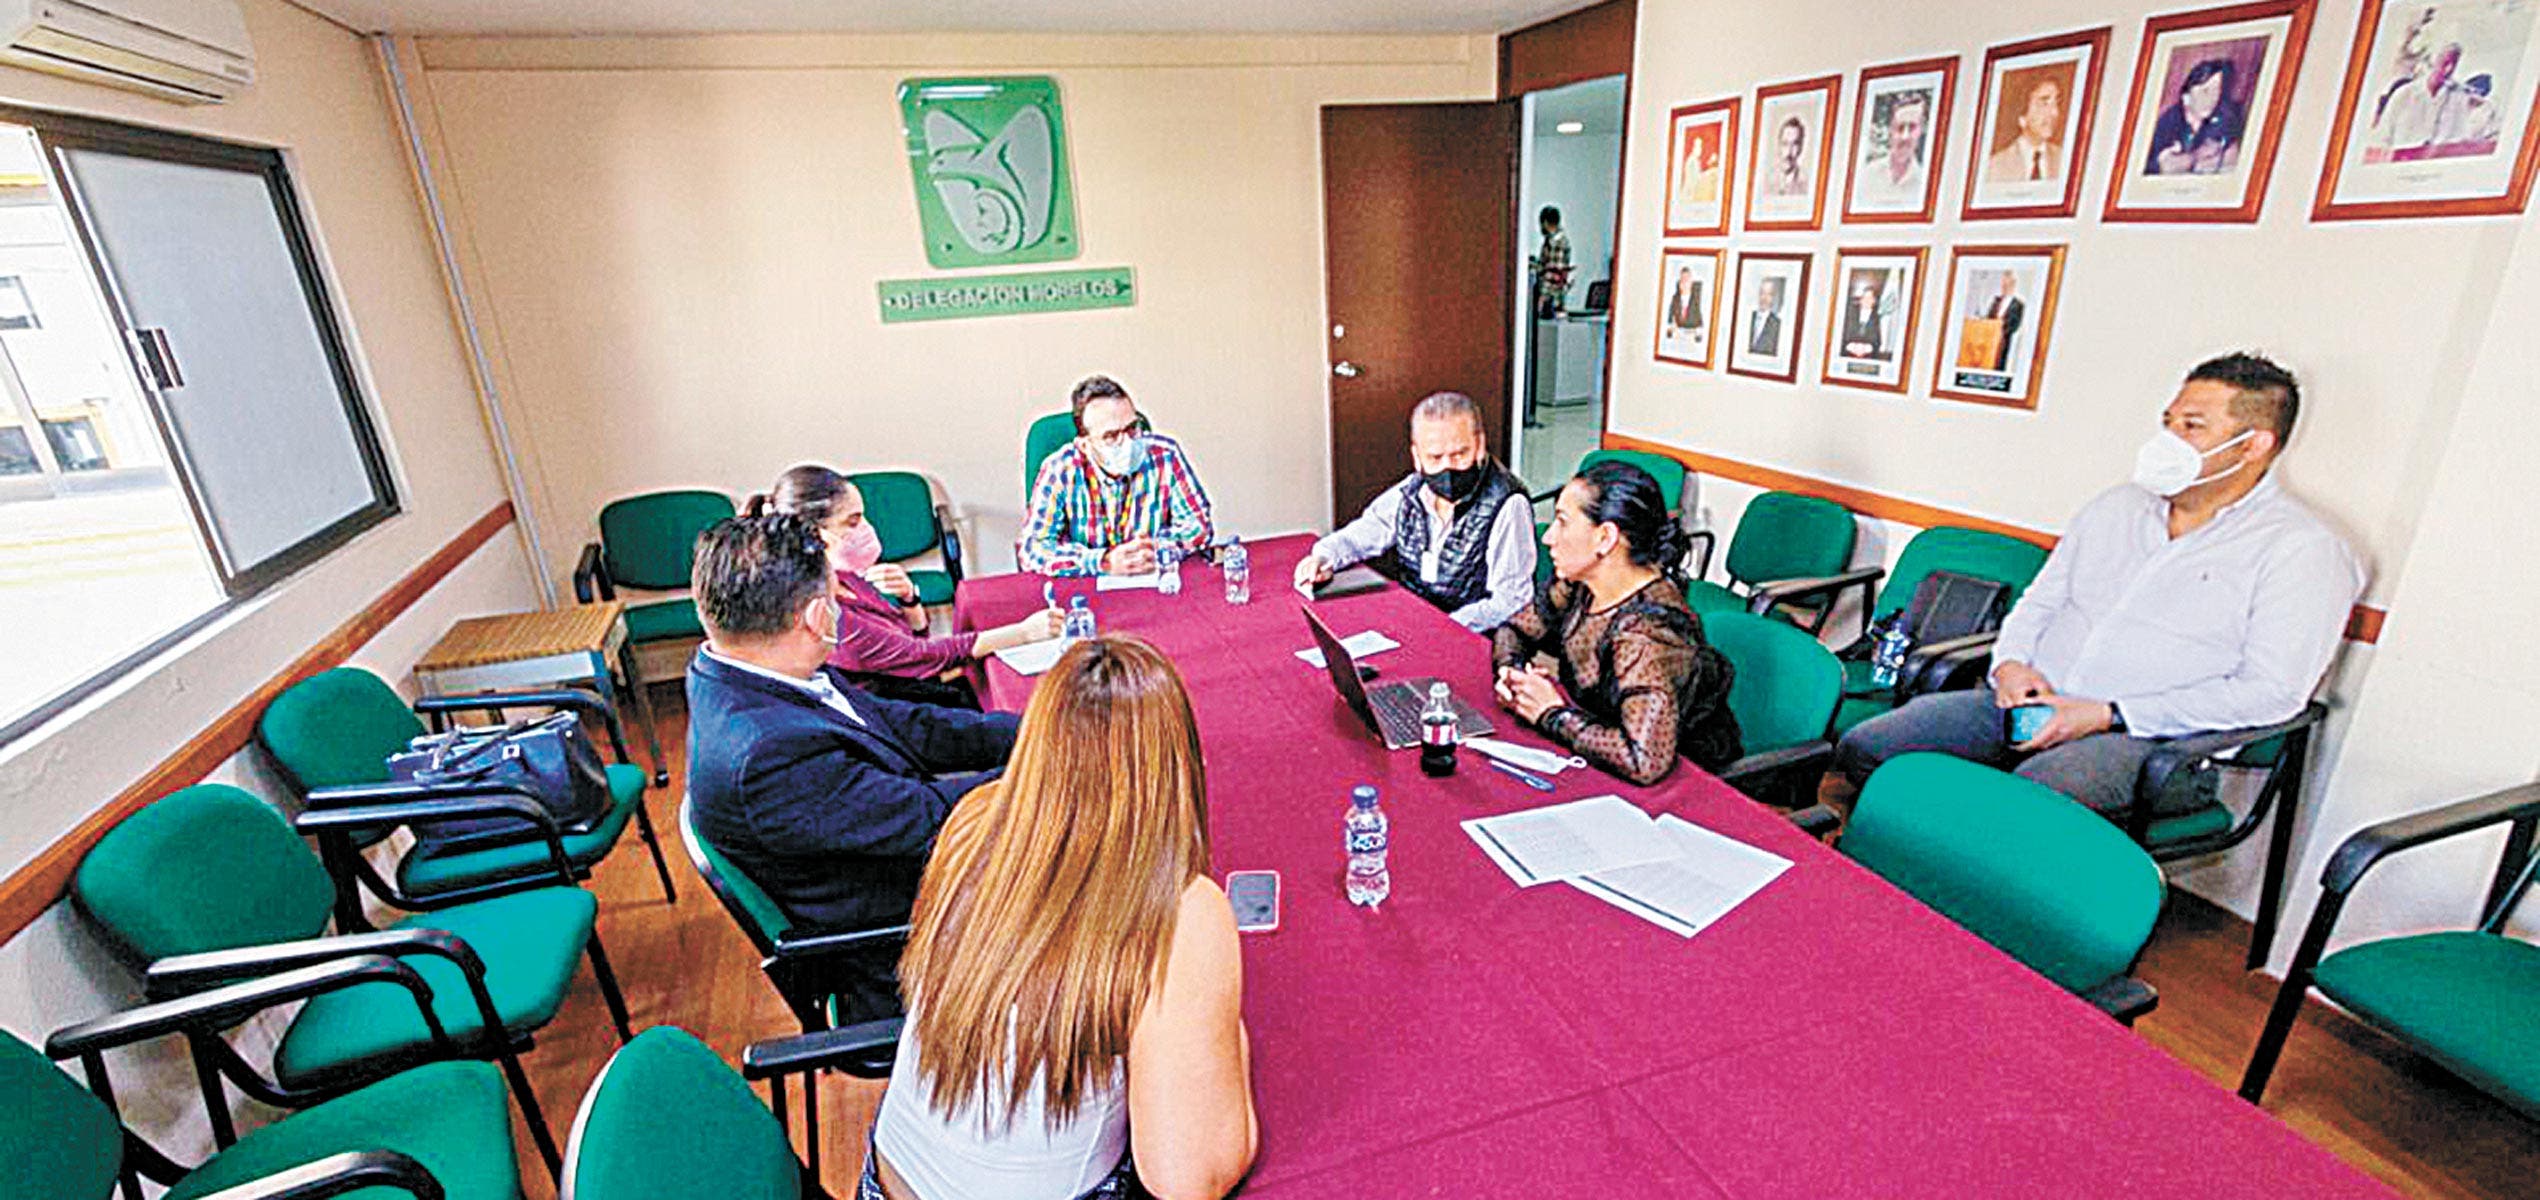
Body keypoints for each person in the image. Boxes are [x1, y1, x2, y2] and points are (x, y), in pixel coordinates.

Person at [1833, 353, 2364, 818]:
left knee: (2020, 805)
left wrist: (2108, 714)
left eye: (2192, 427)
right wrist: (2011, 665)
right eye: (2168, 422)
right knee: (1870, 747)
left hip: (2150, 741)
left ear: (2254, 446)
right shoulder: (2116, 508)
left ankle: (1953, 895)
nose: (2169, 440)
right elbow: (2039, 603)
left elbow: (2271, 694)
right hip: (2029, 705)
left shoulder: (2302, 550)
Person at [868, 635, 1257, 1200]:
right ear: (1179, 763)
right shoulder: (1180, 910)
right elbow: (1188, 1179)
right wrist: (1229, 1038)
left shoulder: (974, 820)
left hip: (887, 1176)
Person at [684, 512, 1022, 1022]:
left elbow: (904, 725)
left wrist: (1031, 729)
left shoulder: (756, 671)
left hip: (900, 867)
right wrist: (1056, 763)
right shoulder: (768, 753)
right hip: (906, 943)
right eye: (838, 590)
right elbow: (930, 817)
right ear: (818, 616)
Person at [1491, 460, 1741, 785]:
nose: (1549, 537)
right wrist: (1513, 674)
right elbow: (1514, 629)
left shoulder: (1648, 633)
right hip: (1600, 756)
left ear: (1605, 538)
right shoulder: (1582, 583)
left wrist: (1551, 714)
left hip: (1690, 785)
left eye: (1563, 522)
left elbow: (1644, 761)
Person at [750, 465, 1061, 707]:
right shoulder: (831, 616)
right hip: (903, 711)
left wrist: (910, 600)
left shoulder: (849, 579)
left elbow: (912, 643)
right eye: (853, 522)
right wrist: (1023, 633)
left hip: (917, 684)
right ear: (817, 536)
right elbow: (924, 656)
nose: (867, 529)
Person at [1294, 391, 1535, 633]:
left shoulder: (1508, 503)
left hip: (1473, 635)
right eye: (1435, 457)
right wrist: (1323, 558)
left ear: (1480, 446)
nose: (1447, 467)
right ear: (1416, 456)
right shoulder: (1412, 490)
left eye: (1460, 454)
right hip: (1415, 621)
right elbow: (1362, 534)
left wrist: (1441, 626)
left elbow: (1510, 600)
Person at [1020, 375, 1215, 578]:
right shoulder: (1060, 469)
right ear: (1084, 445)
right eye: (1111, 436)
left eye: (1132, 428)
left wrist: (1156, 548)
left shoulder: (1165, 455)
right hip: (1086, 586)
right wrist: (1102, 561)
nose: (1128, 443)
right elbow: (1032, 549)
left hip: (1152, 577)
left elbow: (1199, 525)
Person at [2146, 58, 2246, 176]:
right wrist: (2196, 157)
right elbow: (2163, 167)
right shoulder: (2167, 124)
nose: (2213, 98)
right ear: (2186, 97)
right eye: (2205, 91)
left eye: (2216, 91)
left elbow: (2233, 156)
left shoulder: (2225, 113)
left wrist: (2191, 161)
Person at [1984, 75, 2066, 183]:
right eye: (2044, 103)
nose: (2055, 112)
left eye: (2057, 103)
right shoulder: (1995, 166)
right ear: (2022, 116)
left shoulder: (2065, 160)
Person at [1858, 90, 1931, 205]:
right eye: (1900, 128)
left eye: (1912, 127)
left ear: (1921, 131)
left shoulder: (1925, 183)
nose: (1905, 137)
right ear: (1891, 130)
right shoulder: (1866, 175)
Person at [1840, 272, 1888, 360]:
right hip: (1846, 353)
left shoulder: (1877, 317)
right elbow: (1841, 336)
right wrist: (1850, 346)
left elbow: (1877, 342)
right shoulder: (1849, 313)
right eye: (1864, 297)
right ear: (1860, 300)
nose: (1867, 300)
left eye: (1870, 298)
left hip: (1868, 356)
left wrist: (1866, 349)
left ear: (1874, 301)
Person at [1765, 115, 1810, 196]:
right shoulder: (1766, 181)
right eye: (1785, 144)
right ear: (1778, 145)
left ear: (1801, 147)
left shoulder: (1808, 185)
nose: (1789, 152)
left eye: (1794, 144)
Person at [1745, 277, 1785, 357]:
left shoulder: (1777, 324)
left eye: (1769, 294)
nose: (1765, 298)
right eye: (1762, 293)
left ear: (1773, 298)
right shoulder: (1747, 318)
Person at [1666, 266, 1706, 334]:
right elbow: (1670, 320)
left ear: (1691, 283)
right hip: (1678, 333)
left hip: (1693, 332)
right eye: (1682, 280)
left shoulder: (1698, 299)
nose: (1684, 283)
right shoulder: (1675, 299)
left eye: (1687, 280)